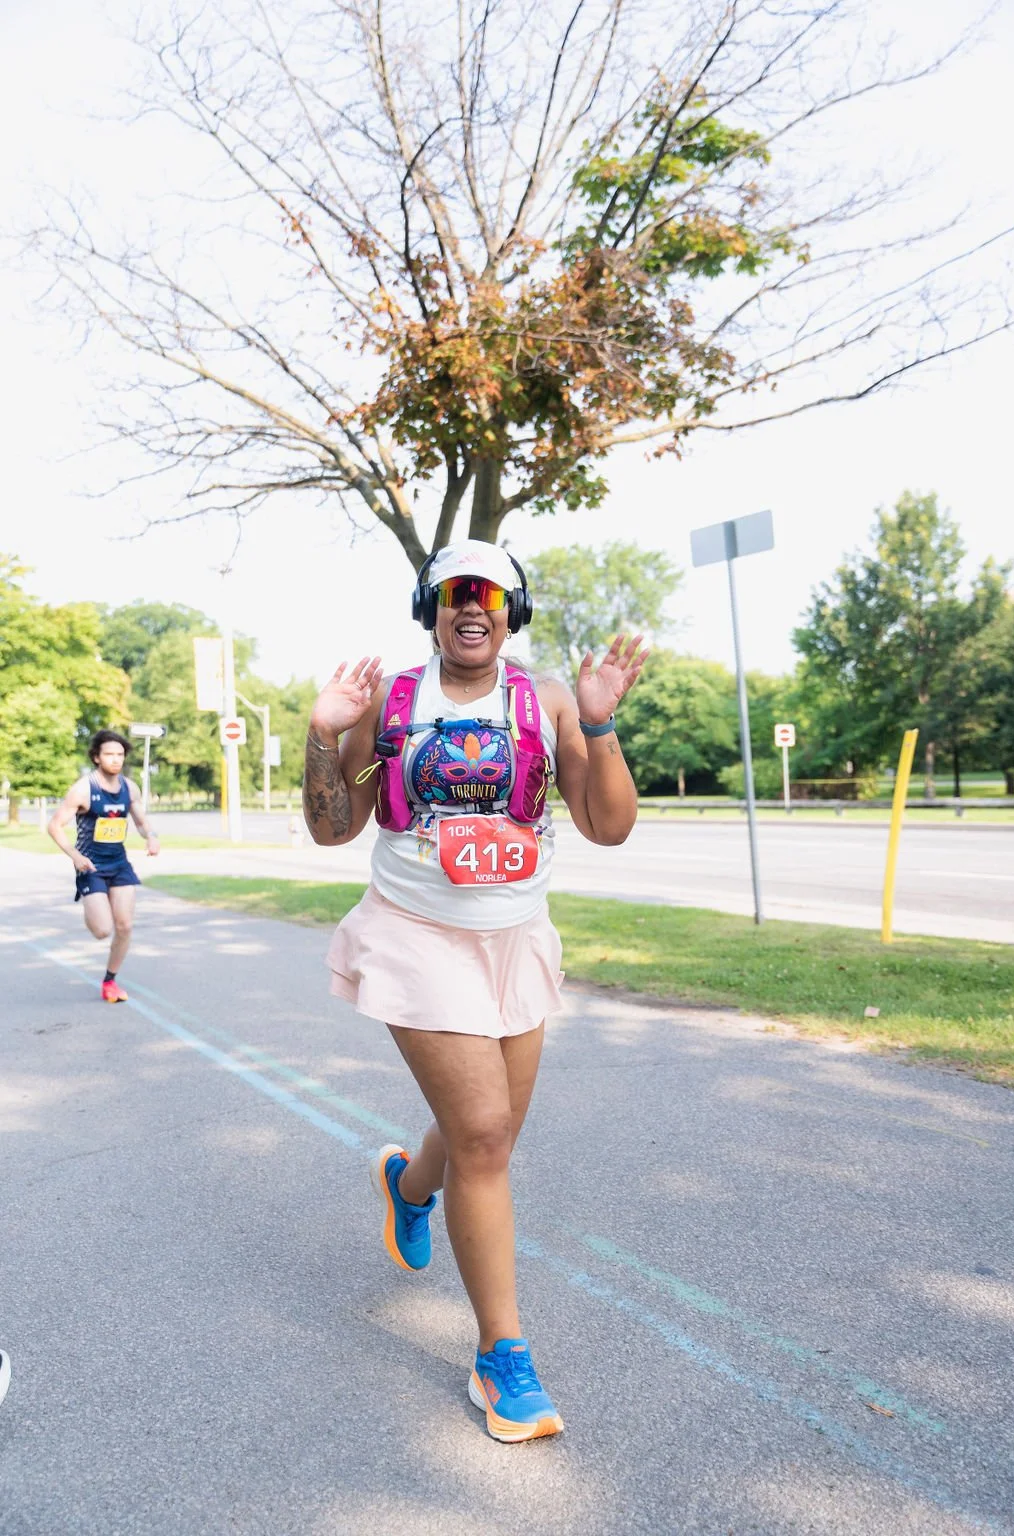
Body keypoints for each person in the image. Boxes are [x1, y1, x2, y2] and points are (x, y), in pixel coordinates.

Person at [303, 539, 647, 1443]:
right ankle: (504, 1361)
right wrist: (323, 734)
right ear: (431, 605)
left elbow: (606, 827)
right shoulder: (395, 701)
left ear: (510, 613)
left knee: (479, 1132)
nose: (472, 607)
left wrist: (601, 724)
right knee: (487, 1137)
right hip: (415, 936)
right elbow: (333, 830)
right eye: (455, 592)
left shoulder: (549, 701)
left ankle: (408, 1188)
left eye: (489, 596)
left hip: (516, 938)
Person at [48, 730, 160, 1002]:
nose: (115, 759)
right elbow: (54, 826)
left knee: (124, 927)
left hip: (119, 864)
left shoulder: (129, 787)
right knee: (102, 930)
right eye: (109, 754)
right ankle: (90, 904)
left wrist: (152, 838)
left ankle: (110, 981)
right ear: (97, 757)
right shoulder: (84, 789)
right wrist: (74, 855)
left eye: (120, 754)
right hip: (91, 866)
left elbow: (141, 822)